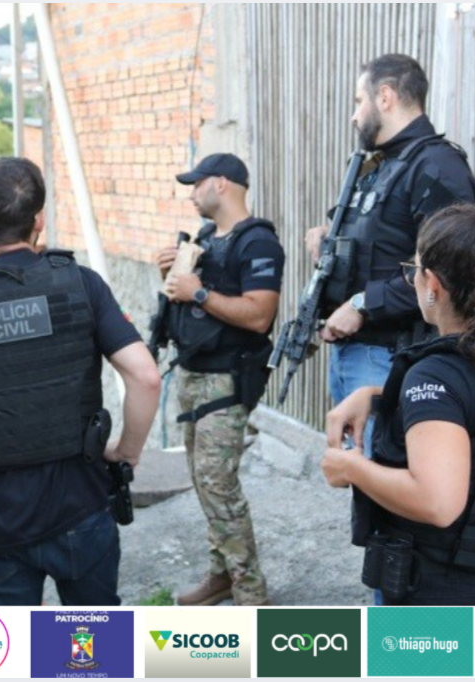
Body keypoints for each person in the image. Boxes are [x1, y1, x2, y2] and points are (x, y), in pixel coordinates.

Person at [0, 157, 161, 606]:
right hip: (82, 508)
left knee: (6, 646)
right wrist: (127, 452)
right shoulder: (81, 285)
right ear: (38, 220)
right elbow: (146, 376)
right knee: (92, 648)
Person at [320, 200, 475, 605]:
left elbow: (437, 502)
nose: (412, 279)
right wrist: (379, 397)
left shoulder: (437, 374)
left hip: (440, 605)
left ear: (433, 285)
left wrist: (350, 466)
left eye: (414, 270)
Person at [305, 54, 475, 451]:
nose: (354, 116)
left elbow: (448, 271)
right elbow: (382, 242)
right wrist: (328, 238)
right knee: (358, 473)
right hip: (354, 352)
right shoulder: (383, 167)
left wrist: (363, 304)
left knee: (380, 471)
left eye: (358, 101)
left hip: (391, 355)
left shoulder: (437, 166)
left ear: (385, 96)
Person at [155, 153, 285, 606]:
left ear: (222, 184)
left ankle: (251, 594)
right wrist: (172, 277)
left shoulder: (258, 242)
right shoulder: (208, 238)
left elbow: (259, 315)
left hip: (227, 380)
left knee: (218, 484)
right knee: (203, 482)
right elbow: (192, 305)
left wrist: (198, 291)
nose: (192, 193)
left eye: (197, 183)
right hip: (194, 374)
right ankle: (223, 574)